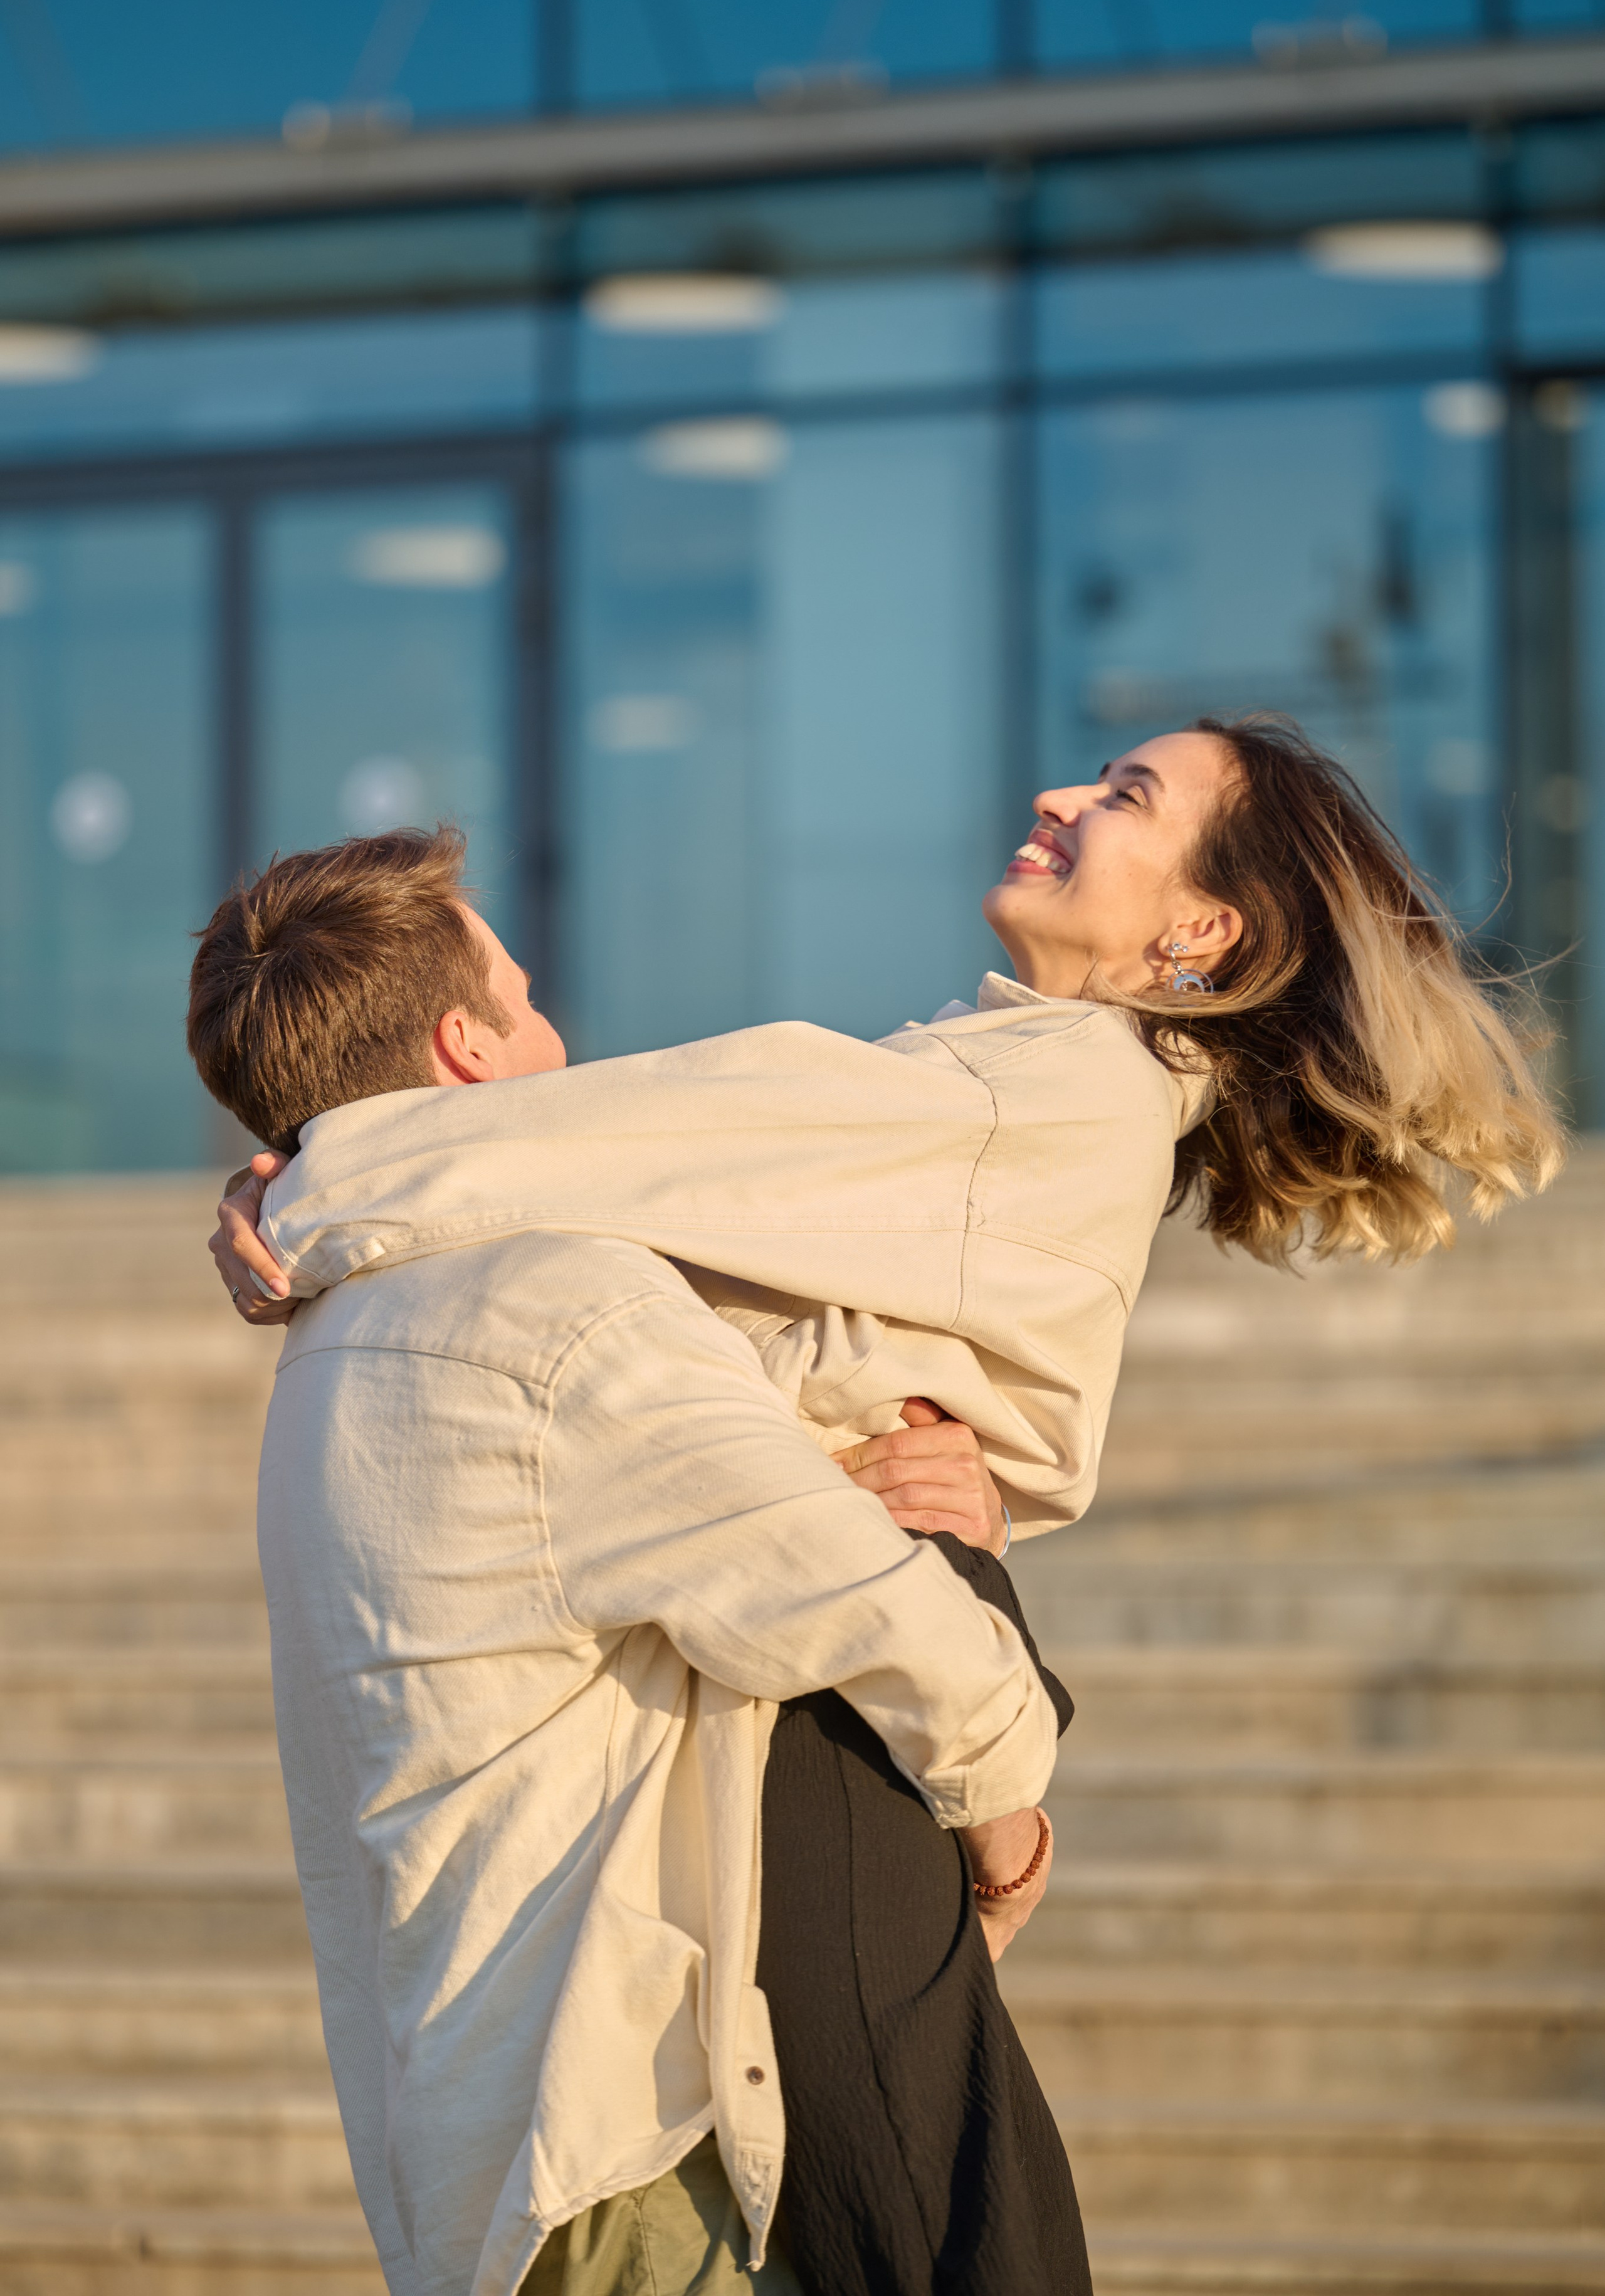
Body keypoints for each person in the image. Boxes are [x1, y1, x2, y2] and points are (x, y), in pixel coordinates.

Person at [206, 715, 1564, 2292]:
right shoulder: (996, 1082)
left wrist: (320, 1178)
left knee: (952, 2216)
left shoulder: (1054, 1088)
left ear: (1201, 932)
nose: (1060, 793)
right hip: (797, 1703)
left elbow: (661, 1134)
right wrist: (323, 1174)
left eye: (1126, 795)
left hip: (827, 1713)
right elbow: (639, 1215)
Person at [186, 833, 1078, 2296]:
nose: (559, 1030)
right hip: (629, 2160)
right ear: (465, 1047)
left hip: (487, 2152)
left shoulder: (332, 1337)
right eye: (524, 998)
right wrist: (1007, 1817)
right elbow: (859, 1605)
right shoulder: (556, 1309)